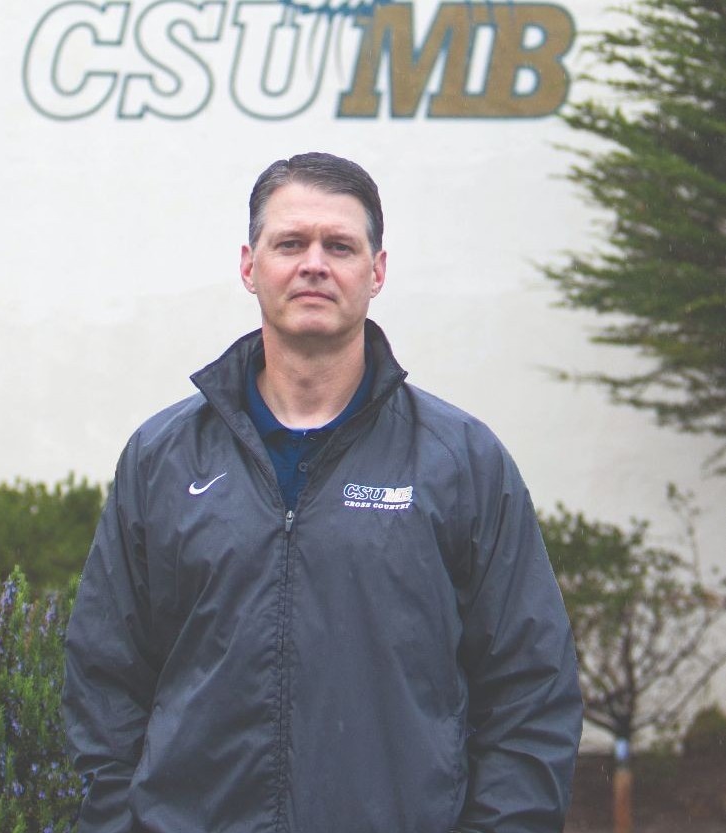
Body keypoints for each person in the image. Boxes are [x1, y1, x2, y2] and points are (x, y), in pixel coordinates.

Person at [62, 152, 583, 833]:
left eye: (339, 245)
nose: (314, 264)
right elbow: (103, 676)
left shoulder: (460, 460)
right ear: (249, 266)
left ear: (377, 271)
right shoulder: (162, 457)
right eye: (290, 244)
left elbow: (531, 687)